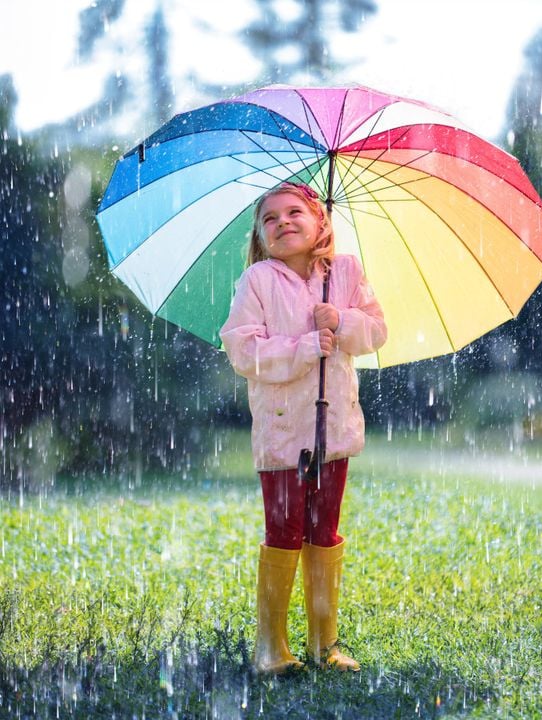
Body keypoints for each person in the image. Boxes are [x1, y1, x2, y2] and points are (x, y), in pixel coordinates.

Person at [220, 181, 387, 675]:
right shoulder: (257, 282)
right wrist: (300, 348)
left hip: (332, 429)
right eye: (270, 219)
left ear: (321, 222)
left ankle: (324, 643)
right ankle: (271, 647)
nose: (283, 223)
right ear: (260, 235)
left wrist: (342, 319)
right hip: (282, 433)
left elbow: (376, 332)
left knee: (324, 528)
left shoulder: (346, 273)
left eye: (295, 213)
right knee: (285, 529)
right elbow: (242, 350)